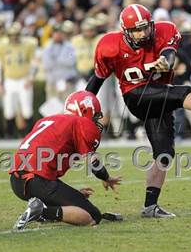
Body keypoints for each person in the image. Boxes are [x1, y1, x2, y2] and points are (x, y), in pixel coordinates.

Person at [86, 4, 191, 217]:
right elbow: (97, 79)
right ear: (125, 31)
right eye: (137, 29)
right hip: (136, 96)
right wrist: (84, 105)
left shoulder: (165, 30)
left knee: (164, 154)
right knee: (181, 93)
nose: (144, 33)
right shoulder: (109, 46)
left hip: (160, 96)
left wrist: (166, 62)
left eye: (146, 27)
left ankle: (150, 206)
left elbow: (169, 54)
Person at [9, 90, 122, 230]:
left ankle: (41, 210)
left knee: (71, 201)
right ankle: (41, 212)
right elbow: (94, 164)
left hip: (17, 181)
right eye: (94, 117)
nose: (95, 122)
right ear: (84, 111)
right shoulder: (81, 123)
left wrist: (72, 193)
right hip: (36, 179)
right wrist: (106, 177)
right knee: (92, 216)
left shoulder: (46, 120)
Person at [0, 22, 37, 137]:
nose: (14, 37)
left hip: (24, 80)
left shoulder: (28, 45)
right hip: (9, 81)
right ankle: (9, 134)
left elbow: (33, 64)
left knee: (27, 109)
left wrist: (30, 78)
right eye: (11, 35)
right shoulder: (2, 46)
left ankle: (29, 135)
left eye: (16, 34)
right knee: (9, 109)